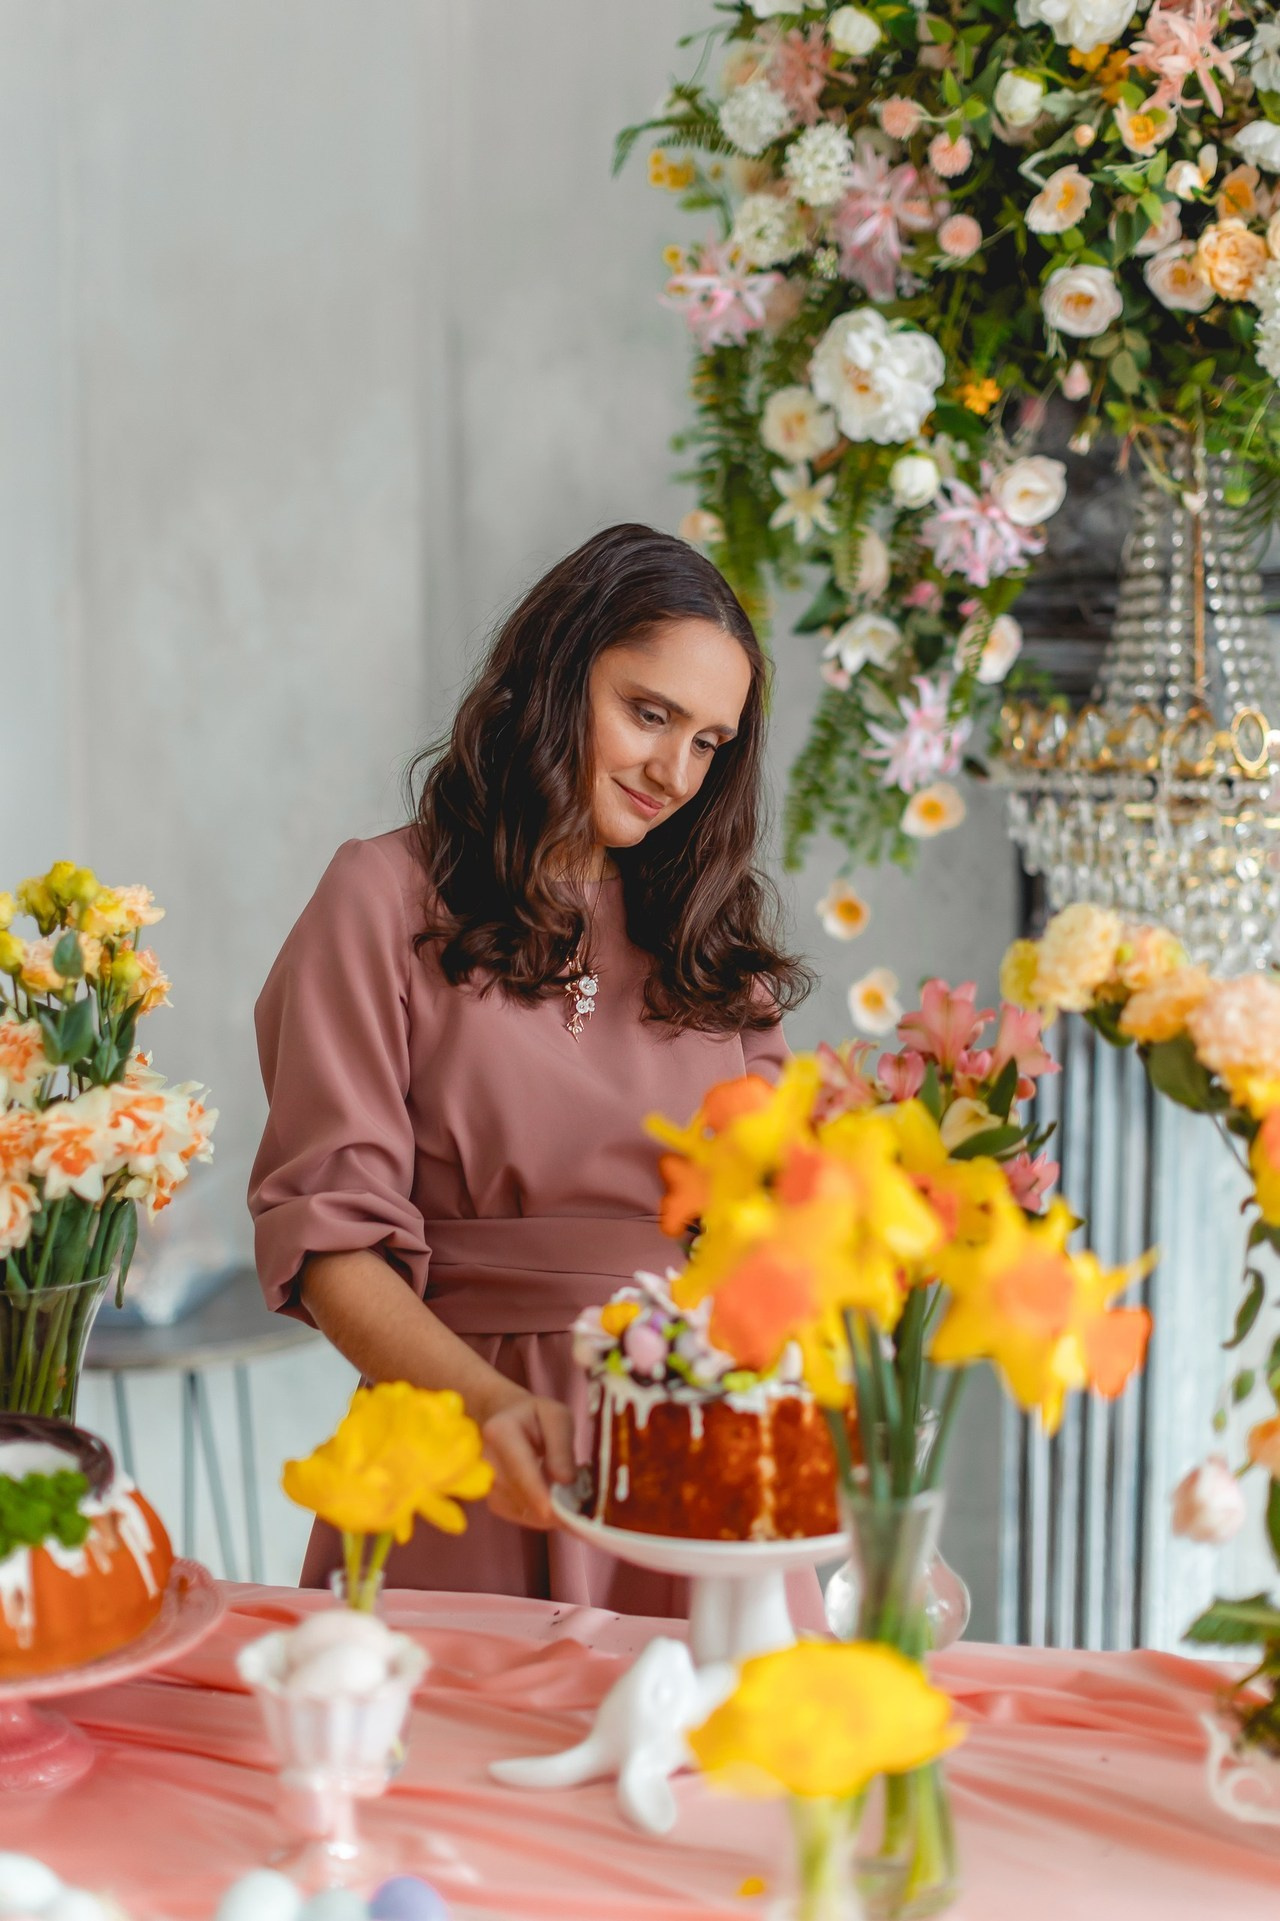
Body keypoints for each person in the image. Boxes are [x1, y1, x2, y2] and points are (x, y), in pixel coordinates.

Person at [248, 522, 813, 1614]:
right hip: (466, 1448)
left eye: (708, 743)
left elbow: (780, 1242)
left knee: (731, 1775)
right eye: (648, 713)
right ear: (554, 676)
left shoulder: (713, 944)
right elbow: (329, 1243)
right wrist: (488, 1405)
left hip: (699, 1464)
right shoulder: (379, 897)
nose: (672, 771)